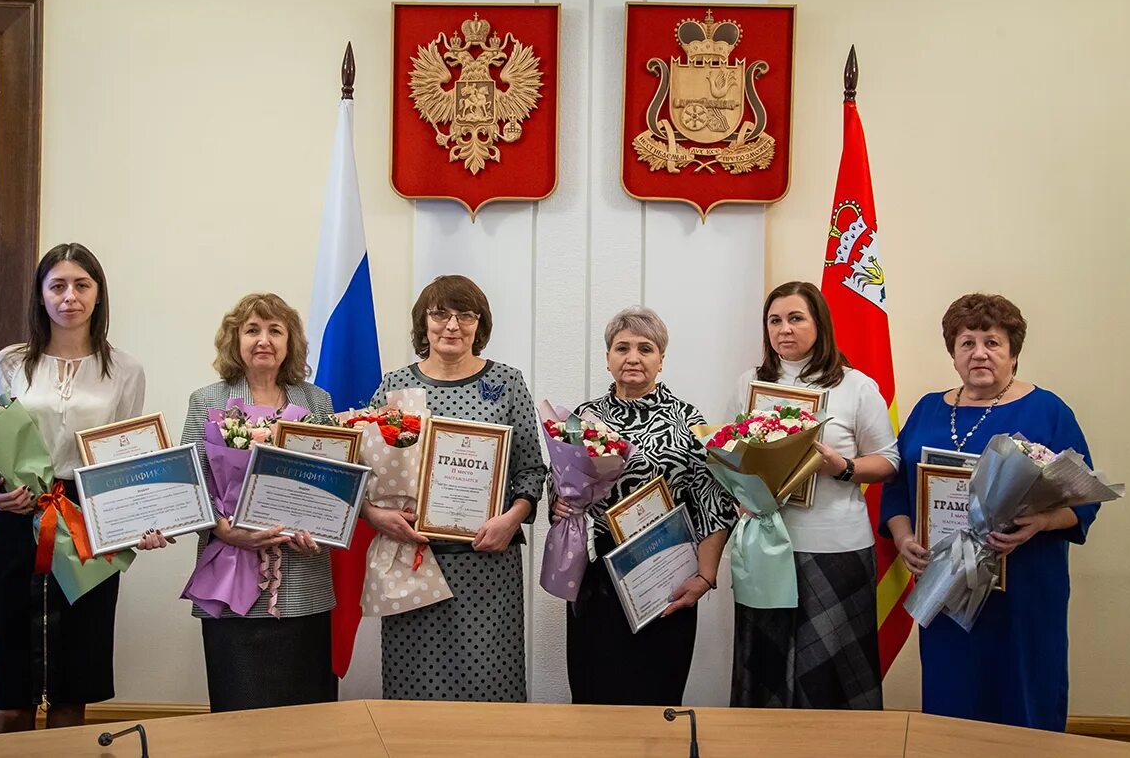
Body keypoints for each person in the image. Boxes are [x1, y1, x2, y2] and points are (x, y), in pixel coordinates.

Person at [880, 293, 1100, 731]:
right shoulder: (927, 408)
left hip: (1024, 589)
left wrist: (1041, 522)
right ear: (953, 353)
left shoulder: (1048, 410)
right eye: (967, 343)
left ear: (1013, 352)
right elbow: (897, 490)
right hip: (946, 587)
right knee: (951, 697)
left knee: (1024, 696)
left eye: (992, 342)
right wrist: (904, 538)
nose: (979, 353)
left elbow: (1084, 497)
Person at [0, 243, 152, 731]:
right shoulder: (10, 363)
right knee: (13, 686)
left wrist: (144, 521)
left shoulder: (125, 369)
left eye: (81, 285)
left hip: (88, 521)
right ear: (41, 295)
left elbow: (128, 457)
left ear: (98, 295)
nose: (69, 296)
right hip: (18, 513)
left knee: (76, 679)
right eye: (58, 285)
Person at [360, 275, 546, 702]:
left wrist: (512, 518)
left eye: (466, 315)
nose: (452, 325)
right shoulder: (395, 387)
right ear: (423, 323)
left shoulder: (507, 382)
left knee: (490, 686)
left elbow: (532, 470)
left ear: (479, 325)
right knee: (415, 690)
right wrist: (375, 516)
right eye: (440, 314)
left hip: (485, 566)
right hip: (412, 561)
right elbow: (362, 471)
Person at [551, 306, 734, 705]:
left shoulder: (688, 421)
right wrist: (559, 506)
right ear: (608, 358)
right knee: (593, 695)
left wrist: (704, 578)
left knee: (656, 697)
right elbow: (561, 491)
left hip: (665, 579)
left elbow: (715, 502)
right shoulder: (583, 419)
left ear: (661, 360)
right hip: (597, 582)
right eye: (622, 347)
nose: (632, 357)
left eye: (645, 348)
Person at [731, 281, 899, 710]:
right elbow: (732, 453)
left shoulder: (856, 386)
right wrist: (738, 492)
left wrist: (841, 467)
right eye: (774, 320)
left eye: (795, 318)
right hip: (767, 547)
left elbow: (888, 461)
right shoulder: (750, 383)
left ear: (819, 324)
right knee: (766, 666)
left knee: (828, 677)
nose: (784, 329)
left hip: (836, 549)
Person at [180, 293, 335, 712]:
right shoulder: (207, 400)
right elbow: (190, 484)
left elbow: (333, 481)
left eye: (274, 330)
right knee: (238, 707)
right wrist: (225, 530)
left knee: (306, 711)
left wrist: (318, 531)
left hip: (302, 574)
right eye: (252, 330)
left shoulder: (317, 402)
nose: (263, 339)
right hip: (231, 578)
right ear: (236, 340)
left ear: (291, 342)